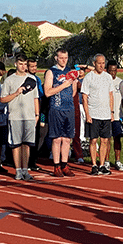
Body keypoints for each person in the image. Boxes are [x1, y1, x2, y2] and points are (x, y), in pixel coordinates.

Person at [0, 54, 40, 181]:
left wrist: (37, 115)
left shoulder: (32, 79)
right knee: (16, 144)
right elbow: (3, 98)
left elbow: (35, 98)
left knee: (27, 144)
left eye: (25, 64)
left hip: (29, 116)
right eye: (20, 64)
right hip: (15, 116)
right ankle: (18, 170)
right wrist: (16, 93)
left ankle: (25, 169)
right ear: (16, 64)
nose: (23, 66)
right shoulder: (9, 80)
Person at [44, 48, 77, 177]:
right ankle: (56, 166)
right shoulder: (51, 72)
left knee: (67, 139)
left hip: (69, 109)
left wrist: (71, 86)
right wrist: (63, 86)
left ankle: (65, 164)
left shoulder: (70, 71)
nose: (64, 60)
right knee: (57, 139)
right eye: (61, 58)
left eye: (66, 58)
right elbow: (47, 92)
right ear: (56, 58)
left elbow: (74, 90)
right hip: (56, 109)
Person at [81, 54, 115, 175]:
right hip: (93, 114)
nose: (101, 65)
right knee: (93, 140)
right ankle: (94, 165)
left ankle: (102, 165)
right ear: (94, 63)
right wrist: (87, 114)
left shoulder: (108, 77)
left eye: (103, 63)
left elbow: (111, 95)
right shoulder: (89, 77)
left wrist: (111, 112)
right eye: (99, 63)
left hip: (105, 114)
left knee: (105, 141)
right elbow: (84, 97)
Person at [107, 60, 123, 171]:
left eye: (115, 71)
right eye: (110, 71)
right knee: (106, 139)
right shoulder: (104, 82)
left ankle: (118, 161)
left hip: (117, 115)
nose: (113, 73)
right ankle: (106, 161)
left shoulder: (120, 82)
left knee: (117, 138)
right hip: (106, 115)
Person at [27, 57, 47, 171]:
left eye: (35, 66)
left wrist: (41, 115)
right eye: (32, 66)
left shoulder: (38, 80)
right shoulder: (26, 78)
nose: (34, 68)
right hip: (29, 110)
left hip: (40, 110)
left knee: (41, 134)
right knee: (30, 136)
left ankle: (33, 160)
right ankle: (28, 161)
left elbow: (42, 96)